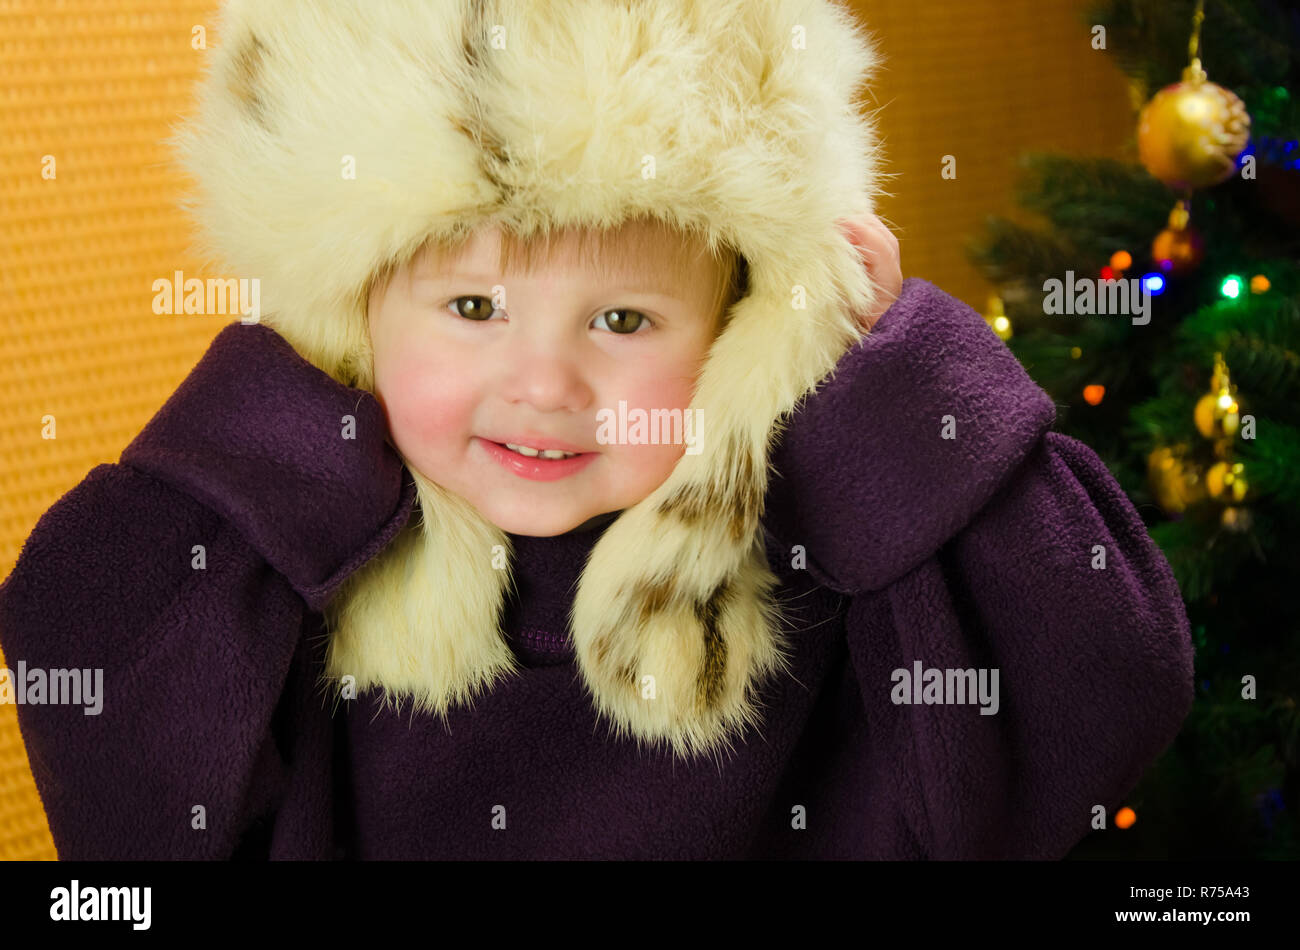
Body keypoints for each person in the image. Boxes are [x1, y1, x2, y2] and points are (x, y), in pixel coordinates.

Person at [0, 0, 1192, 859]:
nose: (544, 380)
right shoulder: (296, 567)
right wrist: (284, 420)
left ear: (740, 328)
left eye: (621, 317)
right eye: (471, 308)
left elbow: (1107, 684)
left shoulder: (821, 537)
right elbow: (100, 702)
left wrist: (891, 379)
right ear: (349, 318)